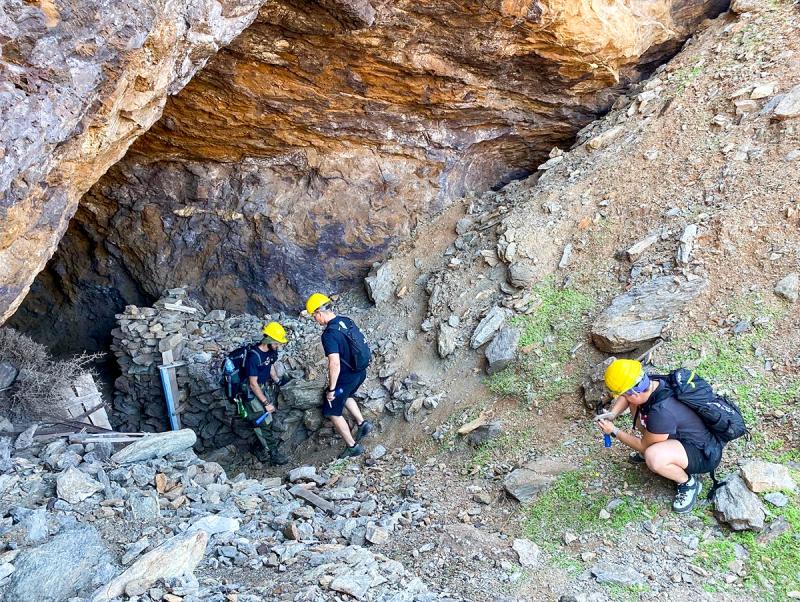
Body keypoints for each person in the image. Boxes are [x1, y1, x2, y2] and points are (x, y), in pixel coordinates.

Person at [594, 359, 722, 513]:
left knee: (653, 456)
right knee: (636, 405)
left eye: (625, 395)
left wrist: (613, 431)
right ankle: (666, 450)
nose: (625, 398)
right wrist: (613, 413)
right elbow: (628, 394)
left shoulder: (661, 412)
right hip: (682, 435)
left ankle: (688, 482)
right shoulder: (652, 382)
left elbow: (643, 445)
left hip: (703, 453)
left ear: (633, 392)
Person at [306, 293, 373, 458]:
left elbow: (334, 363)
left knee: (332, 411)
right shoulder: (346, 320)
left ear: (319, 313)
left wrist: (332, 389)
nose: (315, 319)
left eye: (314, 316)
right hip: (360, 372)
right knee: (347, 394)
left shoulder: (329, 334)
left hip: (347, 376)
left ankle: (352, 447)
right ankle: (362, 424)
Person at [242, 321, 290, 465]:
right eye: (276, 343)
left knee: (265, 420)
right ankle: (273, 455)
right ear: (268, 340)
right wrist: (266, 403)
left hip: (262, 387)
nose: (278, 346)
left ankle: (260, 447)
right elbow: (252, 383)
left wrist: (277, 381)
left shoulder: (271, 351)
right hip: (251, 391)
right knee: (263, 421)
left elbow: (270, 366)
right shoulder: (253, 357)